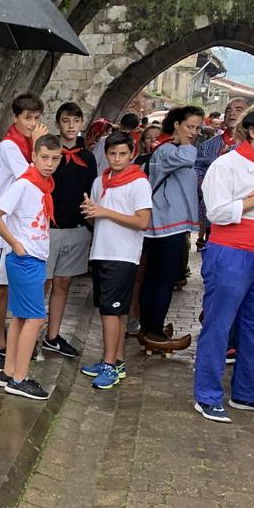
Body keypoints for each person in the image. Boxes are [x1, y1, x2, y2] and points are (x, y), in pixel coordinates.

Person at [193, 106, 254, 423]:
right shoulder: (227, 165)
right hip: (230, 252)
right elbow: (216, 213)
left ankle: (248, 393)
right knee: (219, 324)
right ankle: (207, 396)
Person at [0, 133, 62, 399]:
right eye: (44, 157)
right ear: (33, 157)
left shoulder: (42, 186)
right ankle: (20, 378)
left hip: (32, 258)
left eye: (55, 158)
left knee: (20, 316)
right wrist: (15, 244)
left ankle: (8, 372)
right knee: (36, 318)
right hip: (25, 259)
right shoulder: (24, 185)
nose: (49, 163)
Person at [0, 94, 48, 371]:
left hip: (12, 230)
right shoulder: (10, 146)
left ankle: (0, 343)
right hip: (1, 231)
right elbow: (32, 176)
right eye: (28, 118)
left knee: (4, 289)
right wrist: (36, 144)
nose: (32, 124)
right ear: (15, 118)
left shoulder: (21, 145)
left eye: (37, 118)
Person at [79, 131, 153, 390]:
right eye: (112, 154)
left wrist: (104, 211)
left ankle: (110, 365)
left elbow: (143, 221)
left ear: (132, 153)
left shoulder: (139, 182)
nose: (118, 158)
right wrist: (91, 213)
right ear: (106, 154)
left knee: (112, 312)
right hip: (101, 251)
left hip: (122, 255)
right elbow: (95, 217)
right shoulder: (101, 181)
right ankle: (115, 361)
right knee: (112, 312)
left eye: (123, 154)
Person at [136, 106, 202, 353]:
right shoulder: (169, 150)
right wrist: (185, 142)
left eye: (197, 128)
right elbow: (189, 158)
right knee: (162, 279)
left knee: (155, 278)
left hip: (165, 223)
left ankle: (150, 327)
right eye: (189, 126)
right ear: (176, 124)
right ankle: (153, 331)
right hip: (166, 225)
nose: (193, 132)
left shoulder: (168, 149)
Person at [42, 102, 96, 357]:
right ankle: (30, 332)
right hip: (50, 229)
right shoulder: (51, 155)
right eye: (66, 121)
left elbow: (92, 191)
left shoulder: (87, 157)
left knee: (63, 283)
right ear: (58, 123)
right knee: (42, 283)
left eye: (75, 120)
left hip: (76, 229)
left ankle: (52, 335)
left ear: (81, 123)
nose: (71, 126)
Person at [195, 97, 249, 250]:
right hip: (213, 210)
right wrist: (204, 184)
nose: (232, 113)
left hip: (244, 214)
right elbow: (197, 168)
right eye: (228, 110)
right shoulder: (208, 145)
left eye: (238, 110)